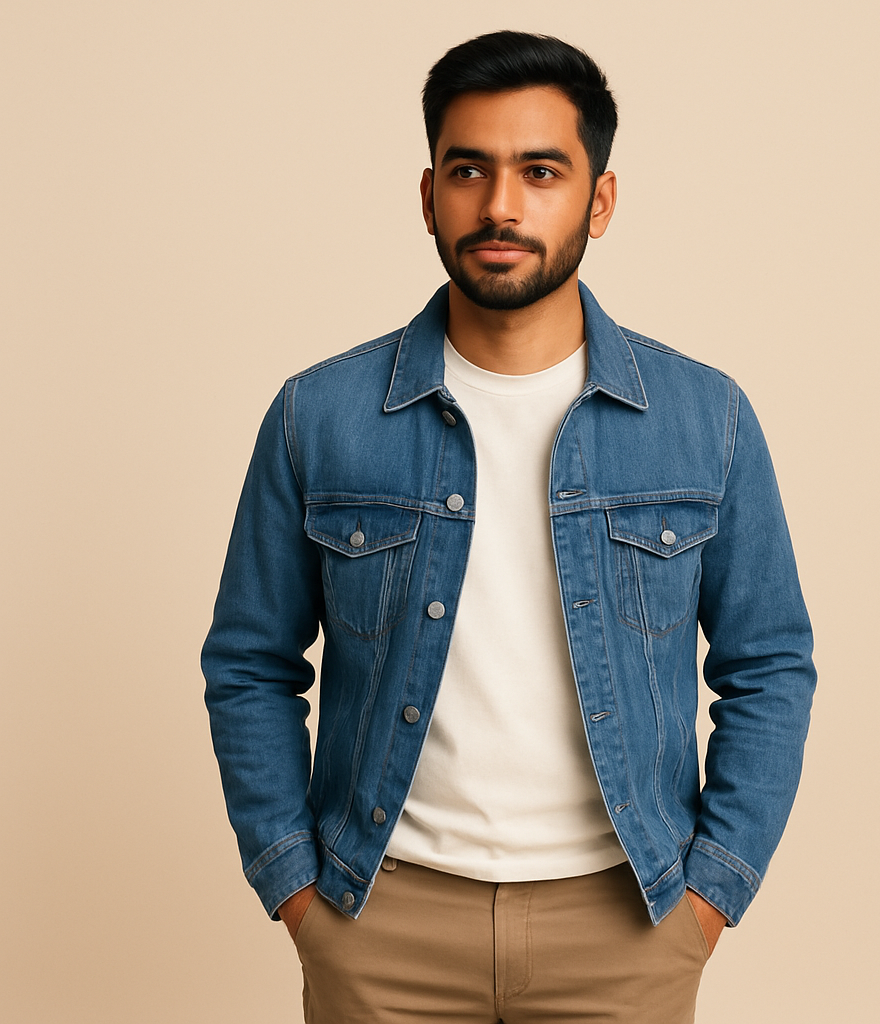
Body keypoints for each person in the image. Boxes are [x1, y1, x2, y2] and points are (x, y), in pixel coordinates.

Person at [202, 30, 815, 1023]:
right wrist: (293, 889)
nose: (499, 205)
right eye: (468, 170)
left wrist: (711, 893)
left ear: (598, 200)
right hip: (379, 917)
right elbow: (248, 663)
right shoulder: (319, 417)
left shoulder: (706, 419)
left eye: (540, 171)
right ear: (428, 196)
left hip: (626, 922)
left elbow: (771, 662)